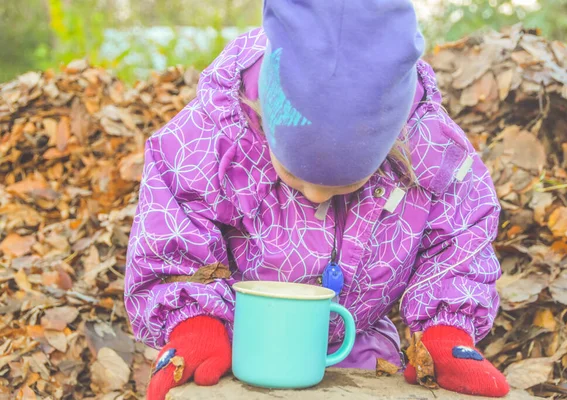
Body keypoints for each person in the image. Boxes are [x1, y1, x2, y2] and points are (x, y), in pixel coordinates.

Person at [124, 1, 510, 399]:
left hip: (361, 344)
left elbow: (459, 238)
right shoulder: (215, 133)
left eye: (349, 183)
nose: (316, 194)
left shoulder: (428, 146)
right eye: (293, 175)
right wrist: (195, 322)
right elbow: (174, 222)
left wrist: (446, 328)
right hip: (240, 343)